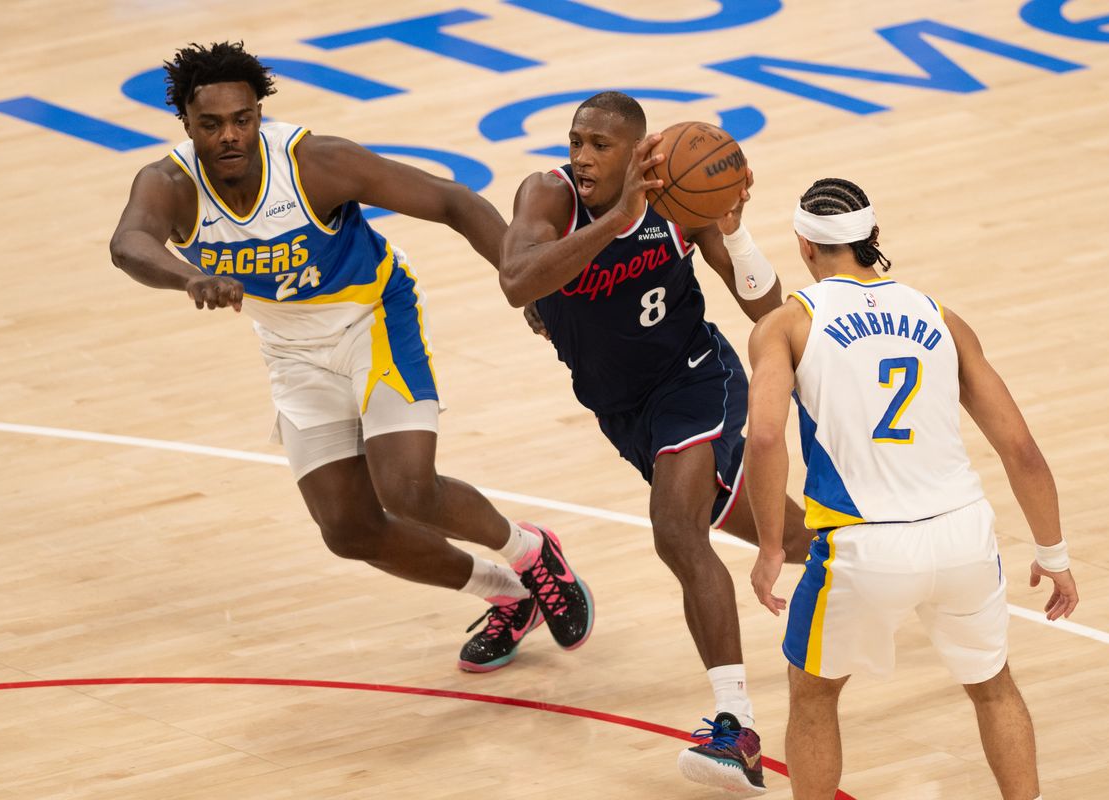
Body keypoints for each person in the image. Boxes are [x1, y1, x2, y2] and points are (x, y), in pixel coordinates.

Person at [108, 41, 593, 674]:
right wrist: (187, 278)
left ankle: (532, 551)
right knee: (349, 532)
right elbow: (128, 244)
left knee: (408, 490)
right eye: (211, 124)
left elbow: (452, 201)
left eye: (242, 119)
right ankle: (508, 595)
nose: (229, 135)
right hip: (292, 350)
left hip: (372, 321)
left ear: (259, 115)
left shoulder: (314, 163)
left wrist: (523, 282)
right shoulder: (168, 184)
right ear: (186, 125)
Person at [500, 91, 813, 795]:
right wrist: (616, 222)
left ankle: (735, 731)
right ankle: (862, 555)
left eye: (601, 145)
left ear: (638, 153)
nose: (582, 154)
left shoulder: (675, 200)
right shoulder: (546, 196)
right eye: (577, 139)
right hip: (622, 411)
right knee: (749, 522)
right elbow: (517, 281)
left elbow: (767, 311)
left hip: (696, 379)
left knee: (677, 531)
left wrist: (732, 233)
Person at [744, 177, 1080, 800]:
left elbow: (765, 441)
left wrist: (769, 547)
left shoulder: (789, 323)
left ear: (804, 246)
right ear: (873, 240)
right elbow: (1021, 449)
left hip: (864, 546)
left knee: (814, 693)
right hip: (963, 536)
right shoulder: (939, 314)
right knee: (993, 686)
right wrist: (1053, 553)